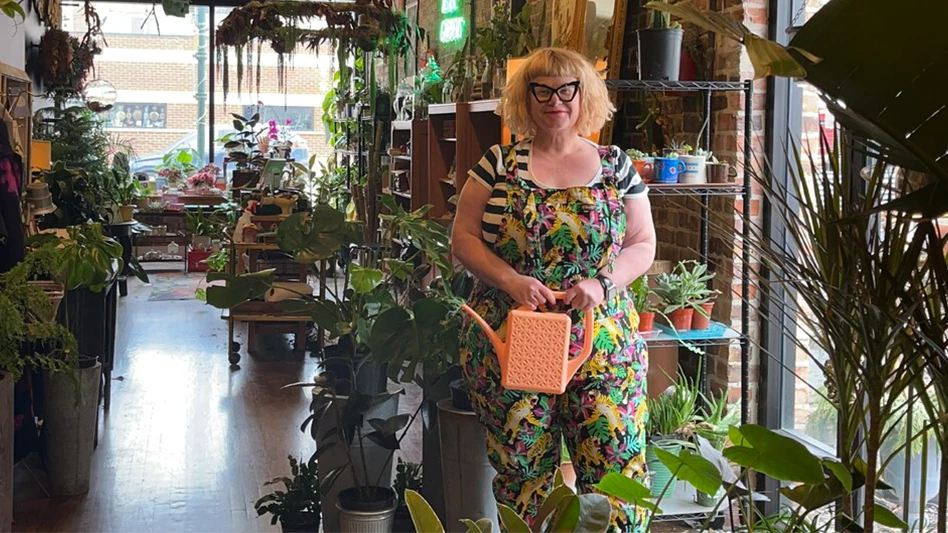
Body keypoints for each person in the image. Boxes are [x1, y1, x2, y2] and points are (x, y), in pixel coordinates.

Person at [452, 47, 656, 531]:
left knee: (615, 472)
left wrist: (603, 283)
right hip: (517, 339)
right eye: (541, 89)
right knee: (523, 475)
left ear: (586, 95)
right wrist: (511, 280)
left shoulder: (615, 166)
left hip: (602, 344)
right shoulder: (498, 164)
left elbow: (643, 242)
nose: (555, 100)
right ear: (526, 97)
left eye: (567, 89)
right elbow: (462, 237)